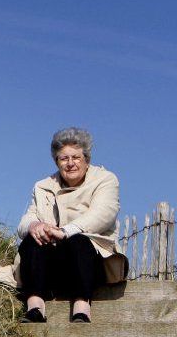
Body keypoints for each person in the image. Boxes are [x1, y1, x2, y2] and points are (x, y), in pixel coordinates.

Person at [16, 127, 123, 323]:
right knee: (33, 240)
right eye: (64, 159)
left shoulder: (105, 180)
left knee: (79, 242)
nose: (70, 163)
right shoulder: (43, 186)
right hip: (52, 263)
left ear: (86, 159)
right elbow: (26, 219)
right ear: (57, 162)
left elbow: (104, 214)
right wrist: (34, 226)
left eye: (76, 157)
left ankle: (81, 308)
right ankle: (35, 307)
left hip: (92, 261)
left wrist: (66, 232)